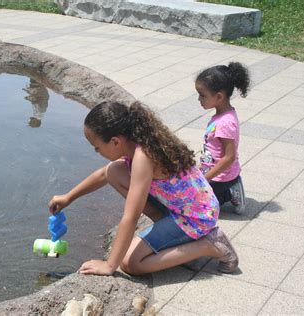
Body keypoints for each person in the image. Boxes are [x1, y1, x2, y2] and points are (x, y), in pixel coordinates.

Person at [48, 101, 238, 276]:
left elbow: (131, 216)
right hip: (190, 207)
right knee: (114, 171)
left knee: (131, 263)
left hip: (195, 217)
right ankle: (179, 241)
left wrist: (109, 265)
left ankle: (210, 246)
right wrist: (68, 197)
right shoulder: (137, 143)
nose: (97, 152)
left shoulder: (143, 157)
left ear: (115, 141)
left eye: (97, 147)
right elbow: (103, 175)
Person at [196, 62, 250, 214]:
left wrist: (206, 179)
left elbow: (229, 157)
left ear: (219, 96)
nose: (199, 99)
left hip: (222, 177)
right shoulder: (221, 116)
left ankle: (231, 192)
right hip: (213, 172)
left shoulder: (225, 123)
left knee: (197, 205)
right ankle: (221, 192)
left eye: (202, 95)